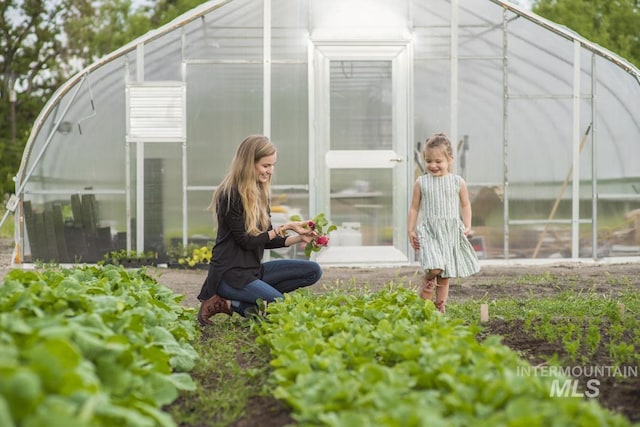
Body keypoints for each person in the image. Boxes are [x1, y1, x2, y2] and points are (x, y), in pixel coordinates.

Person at [196, 135, 322, 325]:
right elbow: (248, 241)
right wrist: (285, 227)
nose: (270, 171)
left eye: (272, 165)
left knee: (313, 271)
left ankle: (251, 302)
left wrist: (299, 237)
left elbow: (267, 239)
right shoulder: (230, 195)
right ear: (248, 163)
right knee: (279, 304)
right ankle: (229, 302)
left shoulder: (260, 192)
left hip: (253, 271)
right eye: (265, 166)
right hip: (230, 275)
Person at [407, 132, 480, 313]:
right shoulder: (421, 182)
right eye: (428, 160)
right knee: (436, 267)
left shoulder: (457, 182)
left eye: (438, 161)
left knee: (445, 273)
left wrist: (468, 225)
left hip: (449, 231)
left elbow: (465, 205)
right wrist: (411, 229)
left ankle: (439, 306)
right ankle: (428, 281)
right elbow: (414, 208)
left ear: (450, 159)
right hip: (430, 231)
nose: (433, 165)